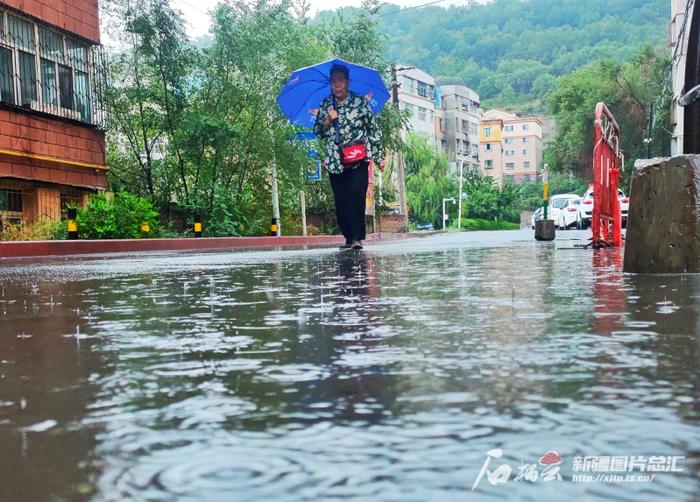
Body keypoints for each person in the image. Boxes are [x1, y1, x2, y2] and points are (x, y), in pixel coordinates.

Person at [313, 63, 384, 250]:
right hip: (336, 162)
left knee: (356, 198)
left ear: (347, 82)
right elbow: (318, 131)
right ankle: (348, 238)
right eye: (333, 81)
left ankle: (357, 238)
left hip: (358, 160)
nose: (337, 85)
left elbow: (373, 129)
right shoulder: (326, 104)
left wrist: (379, 157)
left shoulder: (359, 102)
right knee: (341, 201)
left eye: (340, 80)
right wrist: (327, 120)